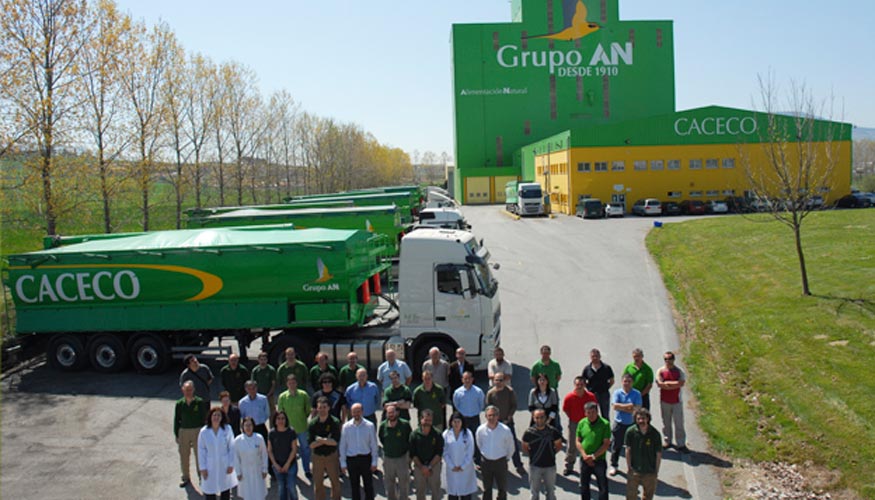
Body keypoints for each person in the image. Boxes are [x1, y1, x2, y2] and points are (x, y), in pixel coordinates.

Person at [486, 372, 525, 475]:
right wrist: (493, 420)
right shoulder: (490, 393)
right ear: (493, 381)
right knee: (498, 445)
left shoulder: (510, 391)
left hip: (508, 422)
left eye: (501, 380)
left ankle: (518, 465)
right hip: (496, 424)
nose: (498, 382)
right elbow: (489, 408)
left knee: (513, 445)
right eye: (496, 380)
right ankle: (501, 466)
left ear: (504, 381)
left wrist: (509, 416)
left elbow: (514, 405)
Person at [339, 403, 379, 500]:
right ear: (351, 413)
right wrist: (343, 463)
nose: (356, 414)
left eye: (358, 411)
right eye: (354, 412)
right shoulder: (346, 427)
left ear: (362, 412)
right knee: (354, 486)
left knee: (368, 486)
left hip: (365, 459)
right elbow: (343, 446)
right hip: (352, 460)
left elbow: (374, 445)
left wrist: (374, 462)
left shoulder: (369, 426)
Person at [276, 374, 312, 479]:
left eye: (293, 383)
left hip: (302, 427)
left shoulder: (303, 395)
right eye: (289, 383)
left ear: (296, 383)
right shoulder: (282, 397)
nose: (291, 385)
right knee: (290, 450)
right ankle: (292, 470)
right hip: (288, 429)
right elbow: (280, 413)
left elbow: (307, 410)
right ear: (287, 384)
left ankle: (307, 469)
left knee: (305, 449)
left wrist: (302, 418)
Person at [476, 405, 516, 500]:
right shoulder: (480, 430)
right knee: (487, 489)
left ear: (498, 416)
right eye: (489, 415)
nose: (491, 418)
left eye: (494, 415)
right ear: (485, 416)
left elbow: (511, 447)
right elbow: (479, 444)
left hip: (500, 462)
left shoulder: (505, 430)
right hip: (486, 463)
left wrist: (506, 458)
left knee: (502, 489)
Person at [198, 406, 238, 500]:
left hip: (224, 464)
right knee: (210, 491)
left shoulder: (227, 429)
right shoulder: (204, 432)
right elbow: (201, 450)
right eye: (214, 415)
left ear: (222, 417)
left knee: (225, 490)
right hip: (209, 465)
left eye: (219, 415)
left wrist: (231, 464)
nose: (216, 417)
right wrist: (203, 467)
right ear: (210, 417)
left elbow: (232, 447)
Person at [522, 409, 563, 500]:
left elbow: (559, 446)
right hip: (535, 466)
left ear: (546, 418)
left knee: (550, 493)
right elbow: (525, 447)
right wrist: (533, 455)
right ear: (533, 418)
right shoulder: (529, 433)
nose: (539, 420)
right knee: (534, 494)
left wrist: (550, 453)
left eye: (541, 417)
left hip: (550, 466)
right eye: (537, 418)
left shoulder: (553, 432)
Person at [561, 376, 597, 475]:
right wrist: (573, 418)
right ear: (574, 385)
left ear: (585, 385)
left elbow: (595, 410)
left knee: (588, 445)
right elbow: (566, 409)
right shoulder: (569, 397)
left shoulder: (591, 396)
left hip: (588, 424)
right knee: (572, 445)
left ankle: (588, 466)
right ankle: (569, 466)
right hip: (574, 424)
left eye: (581, 385)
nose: (579, 386)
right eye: (577, 385)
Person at [309, 397, 343, 500]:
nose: (322, 410)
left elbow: (334, 442)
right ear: (317, 409)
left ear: (328, 408)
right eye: (320, 407)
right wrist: (326, 440)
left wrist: (320, 440)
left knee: (335, 482)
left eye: (324, 407)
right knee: (318, 483)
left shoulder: (334, 422)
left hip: (331, 456)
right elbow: (311, 444)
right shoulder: (313, 423)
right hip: (317, 457)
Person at [624, 408, 663, 500]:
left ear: (648, 419)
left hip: (649, 471)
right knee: (631, 496)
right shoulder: (630, 432)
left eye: (643, 418)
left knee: (648, 496)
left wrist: (656, 471)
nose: (641, 421)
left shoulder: (655, 434)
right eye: (638, 419)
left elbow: (658, 454)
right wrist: (629, 467)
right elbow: (628, 450)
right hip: (634, 471)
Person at [575, 402, 611, 500]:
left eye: (593, 412)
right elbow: (578, 441)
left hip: (599, 460)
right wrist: (584, 455)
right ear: (585, 413)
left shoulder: (605, 424)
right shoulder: (582, 423)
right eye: (588, 412)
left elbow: (606, 444)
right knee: (584, 485)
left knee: (602, 486)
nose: (591, 415)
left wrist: (593, 456)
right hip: (585, 459)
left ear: (597, 412)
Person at [174, 380, 206, 488]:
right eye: (186, 390)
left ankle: (201, 477)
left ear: (193, 390)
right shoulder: (179, 403)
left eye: (190, 390)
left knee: (200, 455)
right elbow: (176, 420)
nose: (188, 392)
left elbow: (204, 418)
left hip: (197, 430)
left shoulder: (199, 402)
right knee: (184, 455)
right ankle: (186, 477)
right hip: (184, 431)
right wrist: (177, 434)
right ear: (182, 390)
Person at [609, 373, 642, 476]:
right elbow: (615, 406)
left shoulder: (636, 393)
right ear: (622, 382)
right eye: (625, 381)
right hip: (619, 423)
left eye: (629, 381)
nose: (626, 383)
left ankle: (633, 467)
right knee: (616, 446)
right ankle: (614, 465)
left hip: (632, 424)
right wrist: (629, 406)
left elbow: (637, 409)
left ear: (632, 382)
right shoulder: (617, 393)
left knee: (633, 447)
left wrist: (622, 407)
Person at [655, 350, 688, 453]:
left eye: (669, 359)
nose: (668, 361)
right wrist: (672, 385)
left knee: (679, 423)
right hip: (664, 401)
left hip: (676, 401)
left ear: (673, 359)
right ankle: (667, 441)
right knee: (666, 422)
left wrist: (668, 384)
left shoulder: (679, 371)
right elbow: (659, 383)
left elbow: (681, 383)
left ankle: (681, 443)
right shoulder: (660, 371)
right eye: (666, 359)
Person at [379, 404, 413, 500]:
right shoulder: (383, 426)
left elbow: (410, 439)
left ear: (397, 413)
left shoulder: (405, 425)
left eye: (392, 412)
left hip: (402, 458)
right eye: (389, 413)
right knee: (389, 483)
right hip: (388, 458)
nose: (391, 415)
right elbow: (381, 439)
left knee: (404, 483)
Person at [452, 371, 485, 464]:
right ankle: (463, 459)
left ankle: (477, 460)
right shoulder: (458, 392)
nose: (467, 380)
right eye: (465, 378)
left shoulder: (478, 391)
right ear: (462, 380)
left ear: (472, 379)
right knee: (463, 439)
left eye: (469, 378)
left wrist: (475, 412)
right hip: (463, 419)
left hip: (474, 418)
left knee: (476, 439)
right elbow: (456, 404)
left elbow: (481, 404)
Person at [410, 409, 443, 500]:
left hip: (434, 465)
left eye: (430, 420)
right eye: (425, 420)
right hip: (419, 466)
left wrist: (429, 467)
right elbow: (413, 454)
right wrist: (422, 467)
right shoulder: (414, 435)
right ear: (421, 419)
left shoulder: (437, 434)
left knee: (436, 491)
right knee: (420, 492)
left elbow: (439, 453)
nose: (427, 422)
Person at [233, 416, 268, 500]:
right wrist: (238, 472)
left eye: (250, 425)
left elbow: (264, 454)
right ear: (243, 427)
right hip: (245, 472)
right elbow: (235, 457)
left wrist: (264, 469)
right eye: (246, 425)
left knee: (259, 494)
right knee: (247, 495)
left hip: (257, 471)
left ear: (253, 426)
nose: (248, 427)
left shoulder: (259, 438)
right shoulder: (238, 440)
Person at [443, 412, 476, 500]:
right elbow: (444, 452)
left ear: (462, 422)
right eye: (454, 421)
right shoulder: (446, 434)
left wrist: (463, 466)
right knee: (453, 494)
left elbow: (470, 451)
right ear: (451, 422)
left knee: (465, 494)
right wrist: (451, 465)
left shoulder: (468, 434)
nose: (456, 424)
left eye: (458, 421)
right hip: (451, 469)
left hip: (465, 470)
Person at [268, 410, 299, 500]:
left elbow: (294, 449)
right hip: (277, 466)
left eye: (283, 418)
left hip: (291, 465)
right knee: (281, 489)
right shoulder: (272, 433)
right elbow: (270, 450)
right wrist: (275, 464)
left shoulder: (291, 432)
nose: (281, 421)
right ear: (275, 420)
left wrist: (287, 464)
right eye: (278, 418)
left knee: (291, 487)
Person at [581, 348, 615, 419]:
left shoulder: (606, 368)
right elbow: (583, 381)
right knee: (592, 414)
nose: (595, 358)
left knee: (605, 415)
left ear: (600, 356)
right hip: (592, 395)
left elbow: (611, 380)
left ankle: (605, 429)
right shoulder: (587, 369)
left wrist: (606, 387)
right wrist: (588, 389)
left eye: (596, 356)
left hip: (604, 394)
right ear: (590, 357)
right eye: (593, 356)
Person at [239, 380, 271, 445]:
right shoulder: (242, 402)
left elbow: (267, 413)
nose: (251, 390)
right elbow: (242, 416)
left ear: (256, 388)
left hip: (261, 427)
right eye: (249, 389)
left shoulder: (263, 399)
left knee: (264, 447)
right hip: (248, 428)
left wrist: (261, 420)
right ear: (246, 389)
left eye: (253, 388)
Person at [251, 351, 277, 424]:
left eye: (264, 359)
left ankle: (272, 428)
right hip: (258, 396)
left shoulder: (271, 370)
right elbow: (253, 384)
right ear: (258, 360)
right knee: (258, 413)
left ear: (267, 360)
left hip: (269, 396)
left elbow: (273, 384)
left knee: (272, 413)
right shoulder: (255, 370)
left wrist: (268, 394)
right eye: (261, 359)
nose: (263, 361)